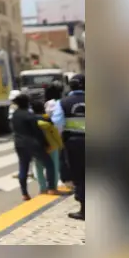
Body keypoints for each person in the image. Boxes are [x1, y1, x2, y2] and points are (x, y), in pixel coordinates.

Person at [11, 93, 59, 201]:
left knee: (23, 167)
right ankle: (51, 188)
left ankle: (24, 194)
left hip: (19, 144)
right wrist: (46, 144)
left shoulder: (14, 115)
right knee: (49, 164)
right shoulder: (29, 115)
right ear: (27, 103)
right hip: (32, 144)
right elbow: (37, 132)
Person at [60, 73, 86, 220]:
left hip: (73, 143)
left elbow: (58, 124)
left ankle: (84, 210)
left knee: (79, 175)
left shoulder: (63, 103)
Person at [32, 100, 65, 193]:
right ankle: (52, 188)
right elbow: (55, 133)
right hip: (52, 146)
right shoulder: (47, 119)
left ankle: (42, 188)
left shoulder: (30, 120)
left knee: (39, 168)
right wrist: (60, 145)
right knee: (53, 167)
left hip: (37, 147)